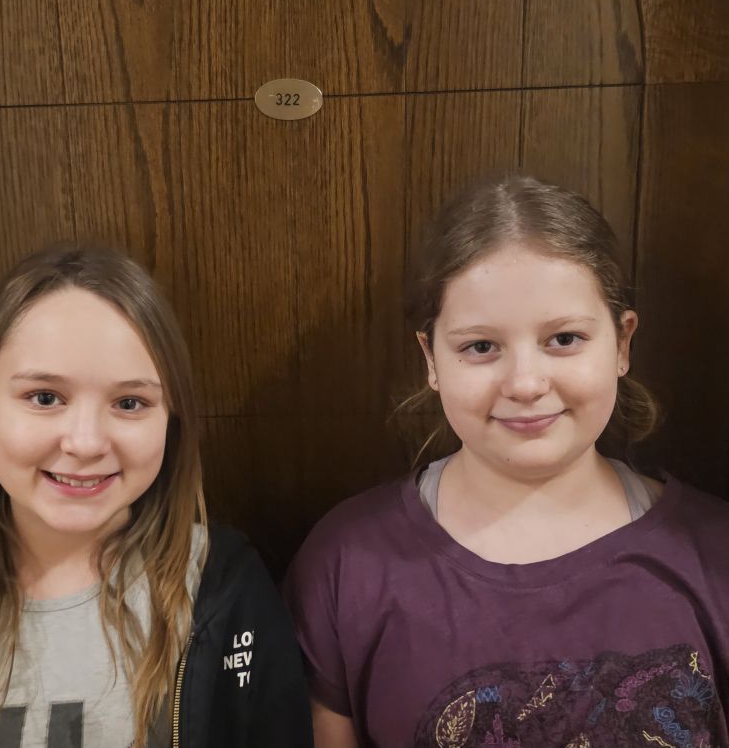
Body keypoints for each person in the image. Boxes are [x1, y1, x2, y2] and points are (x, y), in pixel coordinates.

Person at [284, 176, 729, 747]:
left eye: (564, 339)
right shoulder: (347, 566)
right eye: (481, 346)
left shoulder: (714, 556)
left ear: (622, 344)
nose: (525, 383)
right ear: (430, 357)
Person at [0, 244, 312, 748]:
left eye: (129, 403)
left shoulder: (225, 587)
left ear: (170, 423)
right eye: (44, 398)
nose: (86, 443)